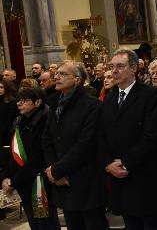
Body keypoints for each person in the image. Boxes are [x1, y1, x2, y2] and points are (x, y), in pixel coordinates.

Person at [100, 49, 157, 230]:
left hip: (144, 176)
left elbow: (151, 136)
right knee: (130, 224)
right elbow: (101, 136)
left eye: (120, 66)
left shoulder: (150, 95)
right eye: (112, 67)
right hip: (118, 177)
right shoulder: (110, 97)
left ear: (134, 68)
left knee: (151, 224)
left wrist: (126, 163)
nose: (114, 71)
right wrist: (109, 164)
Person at [42, 61, 108, 230]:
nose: (57, 77)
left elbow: (85, 144)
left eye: (63, 74)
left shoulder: (92, 105)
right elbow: (48, 140)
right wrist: (53, 170)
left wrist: (58, 170)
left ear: (77, 80)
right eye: (57, 74)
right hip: (62, 181)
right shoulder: (54, 103)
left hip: (86, 180)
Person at [0, 87, 60, 229]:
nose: (19, 104)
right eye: (19, 100)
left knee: (45, 222)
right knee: (34, 222)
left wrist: (14, 181)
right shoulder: (20, 120)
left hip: (39, 181)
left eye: (25, 100)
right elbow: (11, 150)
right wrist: (5, 176)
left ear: (38, 102)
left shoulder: (46, 120)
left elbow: (38, 158)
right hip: (22, 181)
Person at [0, 80, 18, 148]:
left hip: (8, 134)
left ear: (7, 89)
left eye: (1, 87)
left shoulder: (13, 103)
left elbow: (11, 121)